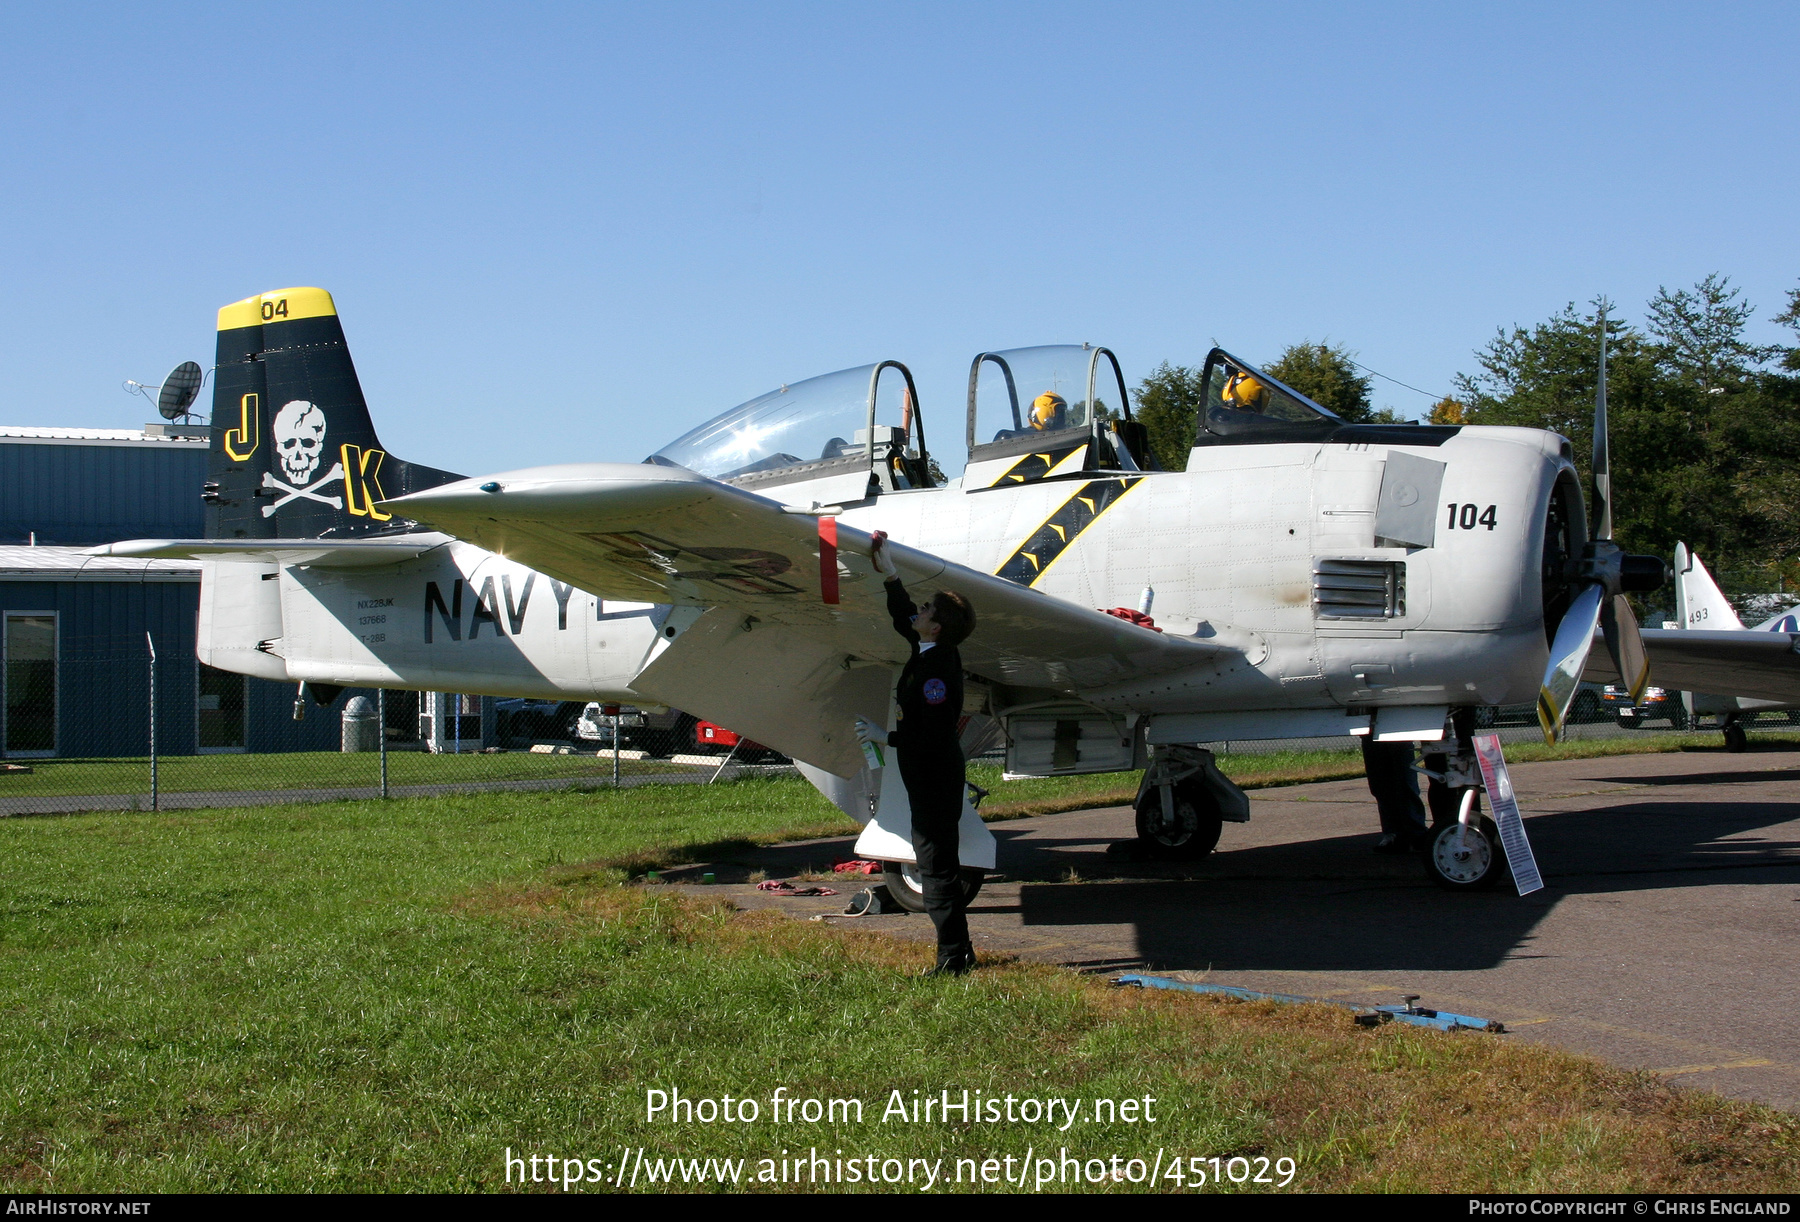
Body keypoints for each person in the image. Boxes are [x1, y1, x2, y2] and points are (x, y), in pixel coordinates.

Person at [855, 532, 979, 976]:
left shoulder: (938, 670)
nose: (919, 612)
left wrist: (883, 736)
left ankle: (952, 958)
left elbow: (931, 733)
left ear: (937, 627)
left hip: (933, 772)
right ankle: (960, 950)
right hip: (927, 772)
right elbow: (902, 614)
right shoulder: (928, 648)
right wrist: (889, 571)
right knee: (936, 861)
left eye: (927, 610)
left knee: (934, 866)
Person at [1362, 737, 1429, 853]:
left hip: (1398, 731)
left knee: (1406, 784)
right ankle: (1393, 834)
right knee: (1380, 785)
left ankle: (1417, 834)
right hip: (1370, 732)